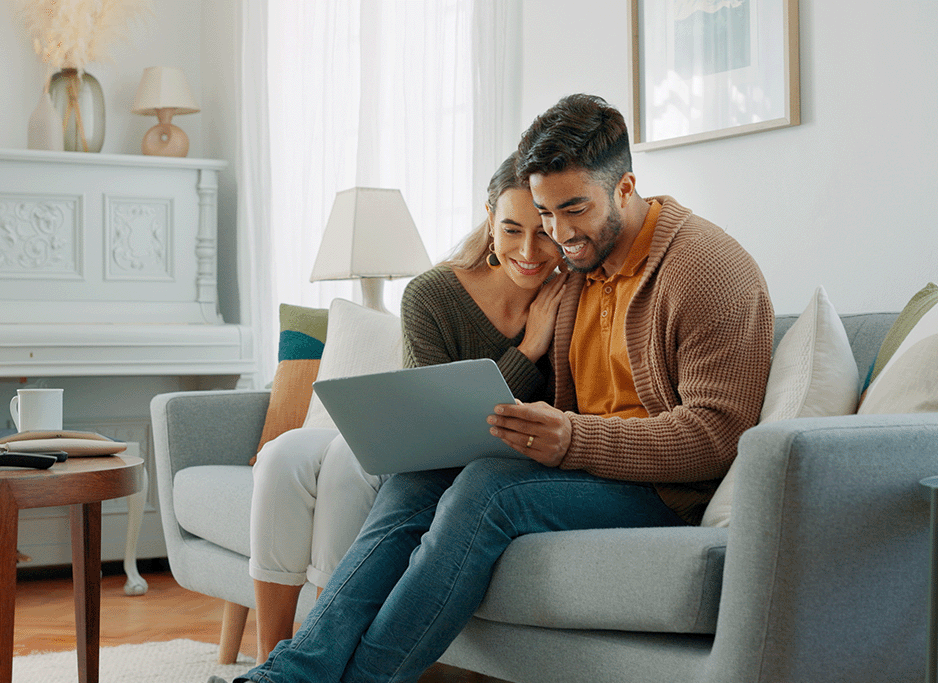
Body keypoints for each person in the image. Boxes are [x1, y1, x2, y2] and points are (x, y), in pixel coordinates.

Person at [222, 93, 774, 683]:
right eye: (545, 213)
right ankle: (289, 675)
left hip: (667, 491)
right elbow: (563, 400)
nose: (559, 235)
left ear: (625, 186)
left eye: (574, 210)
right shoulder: (580, 269)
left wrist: (570, 439)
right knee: (419, 478)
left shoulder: (706, 269)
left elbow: (718, 437)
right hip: (588, 469)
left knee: (489, 488)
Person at [244, 151, 566, 662]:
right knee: (286, 457)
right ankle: (273, 657)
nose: (529, 250)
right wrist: (527, 352)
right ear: (489, 220)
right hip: (420, 446)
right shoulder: (433, 294)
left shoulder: (569, 297)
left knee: (348, 466)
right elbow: (435, 426)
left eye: (543, 231)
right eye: (511, 229)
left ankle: (319, 658)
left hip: (481, 462)